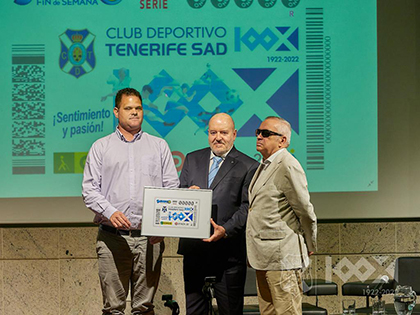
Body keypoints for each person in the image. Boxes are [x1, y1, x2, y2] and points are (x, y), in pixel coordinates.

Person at [82, 87, 179, 315]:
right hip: (112, 239)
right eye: (128, 108)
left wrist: (162, 225)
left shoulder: (159, 146)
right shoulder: (101, 147)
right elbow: (89, 190)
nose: (134, 112)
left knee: (144, 308)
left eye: (138, 108)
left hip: (149, 239)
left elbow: (171, 189)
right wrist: (109, 211)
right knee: (113, 307)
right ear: (116, 111)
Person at [178, 113, 259, 315]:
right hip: (194, 251)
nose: (218, 137)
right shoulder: (192, 159)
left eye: (223, 132)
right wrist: (186, 196)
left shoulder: (249, 166)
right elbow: (178, 197)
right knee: (194, 311)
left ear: (234, 134)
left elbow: (246, 208)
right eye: (213, 132)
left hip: (228, 254)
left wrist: (225, 230)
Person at [246, 116, 317, 315]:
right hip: (263, 256)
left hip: (282, 257)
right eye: (258, 132)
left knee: (287, 312)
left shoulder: (287, 165)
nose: (259, 136)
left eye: (266, 134)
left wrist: (309, 244)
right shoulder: (265, 164)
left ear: (283, 140)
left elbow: (305, 210)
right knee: (268, 312)